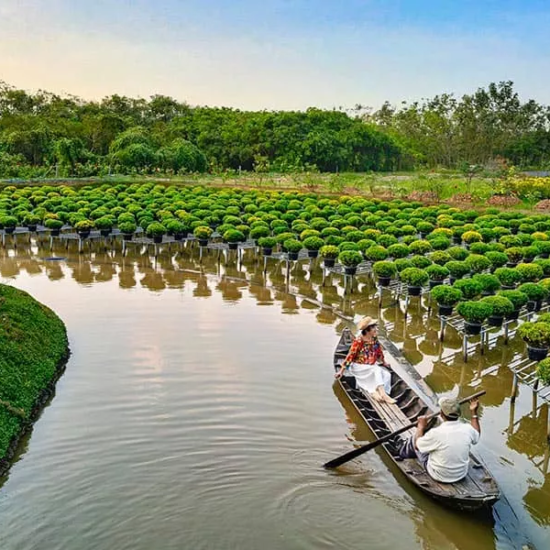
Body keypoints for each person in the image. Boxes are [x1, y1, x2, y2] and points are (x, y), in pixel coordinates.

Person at [399, 396, 480, 483]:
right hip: (461, 474)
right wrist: (473, 412)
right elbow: (476, 434)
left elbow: (417, 446)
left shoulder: (436, 433)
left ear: (441, 414)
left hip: (438, 475)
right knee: (433, 443)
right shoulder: (467, 429)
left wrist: (420, 427)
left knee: (414, 440)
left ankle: (401, 454)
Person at [335, 317, 395, 404]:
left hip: (370, 366)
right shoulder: (359, 341)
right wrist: (341, 371)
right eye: (373, 327)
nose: (376, 329)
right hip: (358, 367)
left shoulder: (374, 339)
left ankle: (376, 392)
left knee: (387, 375)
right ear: (367, 330)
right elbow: (350, 356)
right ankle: (384, 395)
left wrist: (384, 362)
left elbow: (379, 352)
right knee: (376, 370)